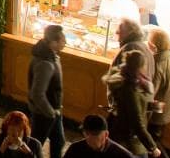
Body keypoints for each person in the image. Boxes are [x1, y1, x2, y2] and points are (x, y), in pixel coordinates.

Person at [107, 18, 159, 158]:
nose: (117, 35)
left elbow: (135, 121)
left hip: (126, 127)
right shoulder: (145, 49)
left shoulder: (128, 50)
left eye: (119, 32)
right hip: (139, 117)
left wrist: (152, 147)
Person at [28, 23, 68, 158]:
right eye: (62, 39)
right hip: (44, 113)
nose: (65, 42)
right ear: (53, 43)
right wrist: (50, 112)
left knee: (59, 141)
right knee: (35, 145)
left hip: (52, 111)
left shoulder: (50, 56)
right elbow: (37, 93)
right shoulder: (45, 63)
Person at [146, 26, 170, 146]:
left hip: (158, 110)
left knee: (152, 142)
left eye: (149, 42)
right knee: (157, 138)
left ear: (153, 45)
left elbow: (151, 91)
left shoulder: (156, 63)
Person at [62, 115, 136, 158]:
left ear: (106, 134)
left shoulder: (122, 155)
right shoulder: (75, 149)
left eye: (95, 134)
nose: (89, 138)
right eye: (87, 133)